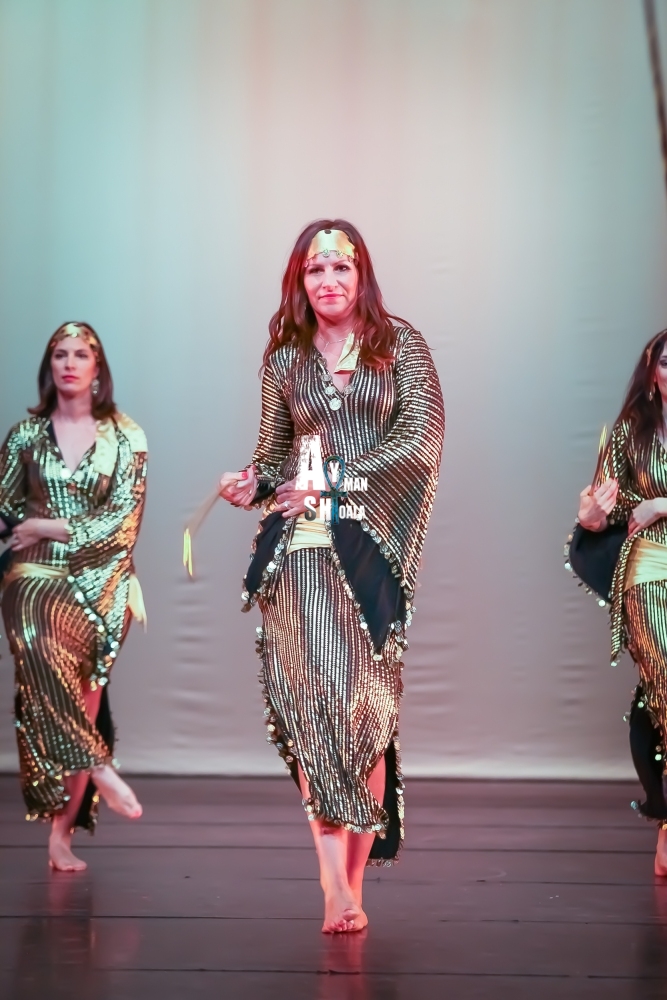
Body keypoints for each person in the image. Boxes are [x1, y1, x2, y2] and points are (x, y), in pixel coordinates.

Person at [219, 220, 444, 931]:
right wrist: (251, 483)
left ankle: (355, 880)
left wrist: (335, 480)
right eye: (314, 270)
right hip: (300, 550)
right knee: (312, 701)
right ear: (300, 281)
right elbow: (274, 456)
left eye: (340, 268)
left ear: (360, 274)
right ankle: (331, 884)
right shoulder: (285, 357)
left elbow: (421, 442)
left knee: (367, 710)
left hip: (373, 545)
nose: (328, 281)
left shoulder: (399, 344)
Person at [0, 322, 148, 872]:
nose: (69, 364)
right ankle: (100, 766)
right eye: (60, 355)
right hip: (34, 575)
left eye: (80, 354)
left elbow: (123, 523)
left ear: (97, 368)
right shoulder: (24, 435)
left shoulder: (127, 436)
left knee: (81, 704)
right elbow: (7, 513)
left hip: (102, 581)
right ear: (49, 367)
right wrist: (25, 529)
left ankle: (61, 836)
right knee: (36, 643)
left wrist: (48, 525)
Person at [578, 328, 667, 876]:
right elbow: (600, 509)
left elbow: (650, 505)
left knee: (655, 699)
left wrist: (661, 503)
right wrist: (591, 513)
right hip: (650, 567)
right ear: (653, 373)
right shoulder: (632, 432)